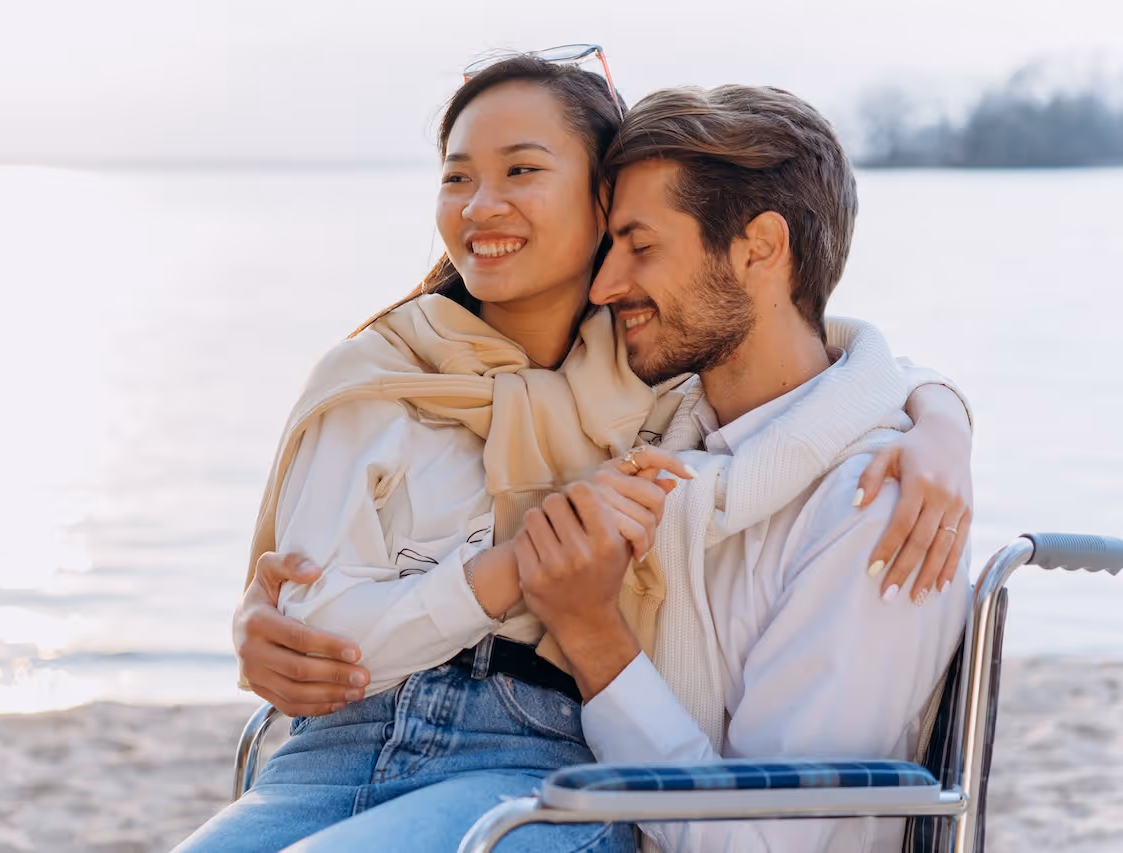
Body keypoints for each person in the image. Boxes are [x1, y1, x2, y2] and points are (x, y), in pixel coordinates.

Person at [177, 55, 973, 853]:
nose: (606, 284)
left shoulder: (836, 481)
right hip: (347, 749)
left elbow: (762, 841)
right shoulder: (666, 416)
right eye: (456, 178)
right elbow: (836, 371)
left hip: (552, 767)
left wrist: (939, 425)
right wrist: (277, 624)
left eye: (638, 244)